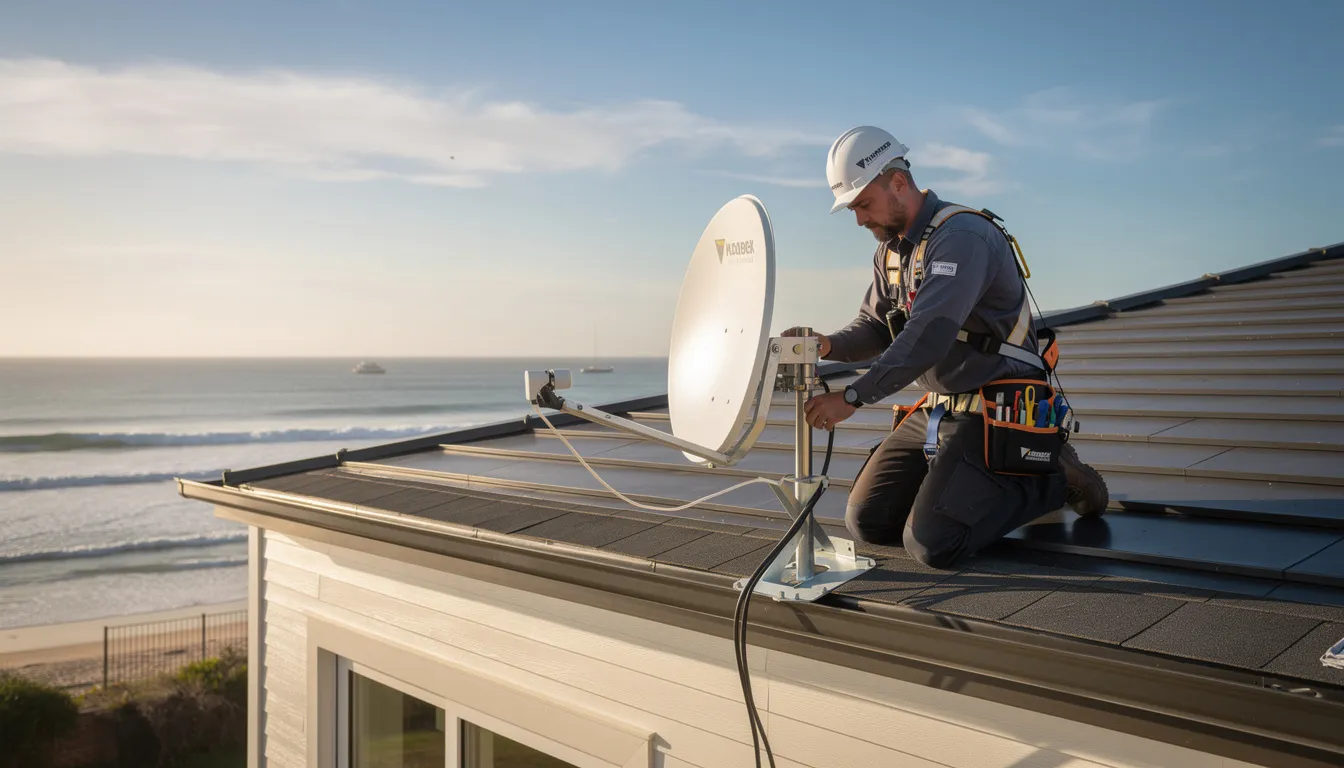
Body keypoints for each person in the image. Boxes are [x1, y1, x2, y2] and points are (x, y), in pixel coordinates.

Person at [789, 125, 1108, 568]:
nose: (859, 219)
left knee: (932, 545)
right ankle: (971, 484)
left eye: (863, 204)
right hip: (941, 408)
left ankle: (1052, 474)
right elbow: (876, 326)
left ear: (898, 183)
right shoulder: (893, 251)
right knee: (868, 521)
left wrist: (852, 397)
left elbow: (929, 335)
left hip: (998, 405)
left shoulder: (961, 237)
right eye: (853, 209)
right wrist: (826, 345)